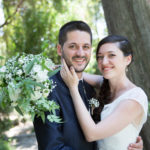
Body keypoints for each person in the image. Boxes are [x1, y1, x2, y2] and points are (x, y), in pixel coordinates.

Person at [33, 21, 144, 150]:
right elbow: (51, 147)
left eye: (86, 47)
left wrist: (127, 140)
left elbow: (99, 134)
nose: (80, 53)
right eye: (73, 46)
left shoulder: (90, 88)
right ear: (59, 49)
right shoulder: (46, 89)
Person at [60, 35, 148, 150]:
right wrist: (59, 68)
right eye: (100, 57)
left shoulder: (135, 97)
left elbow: (92, 134)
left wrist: (73, 88)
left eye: (111, 55)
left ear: (128, 59)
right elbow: (80, 75)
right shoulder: (105, 84)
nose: (104, 62)